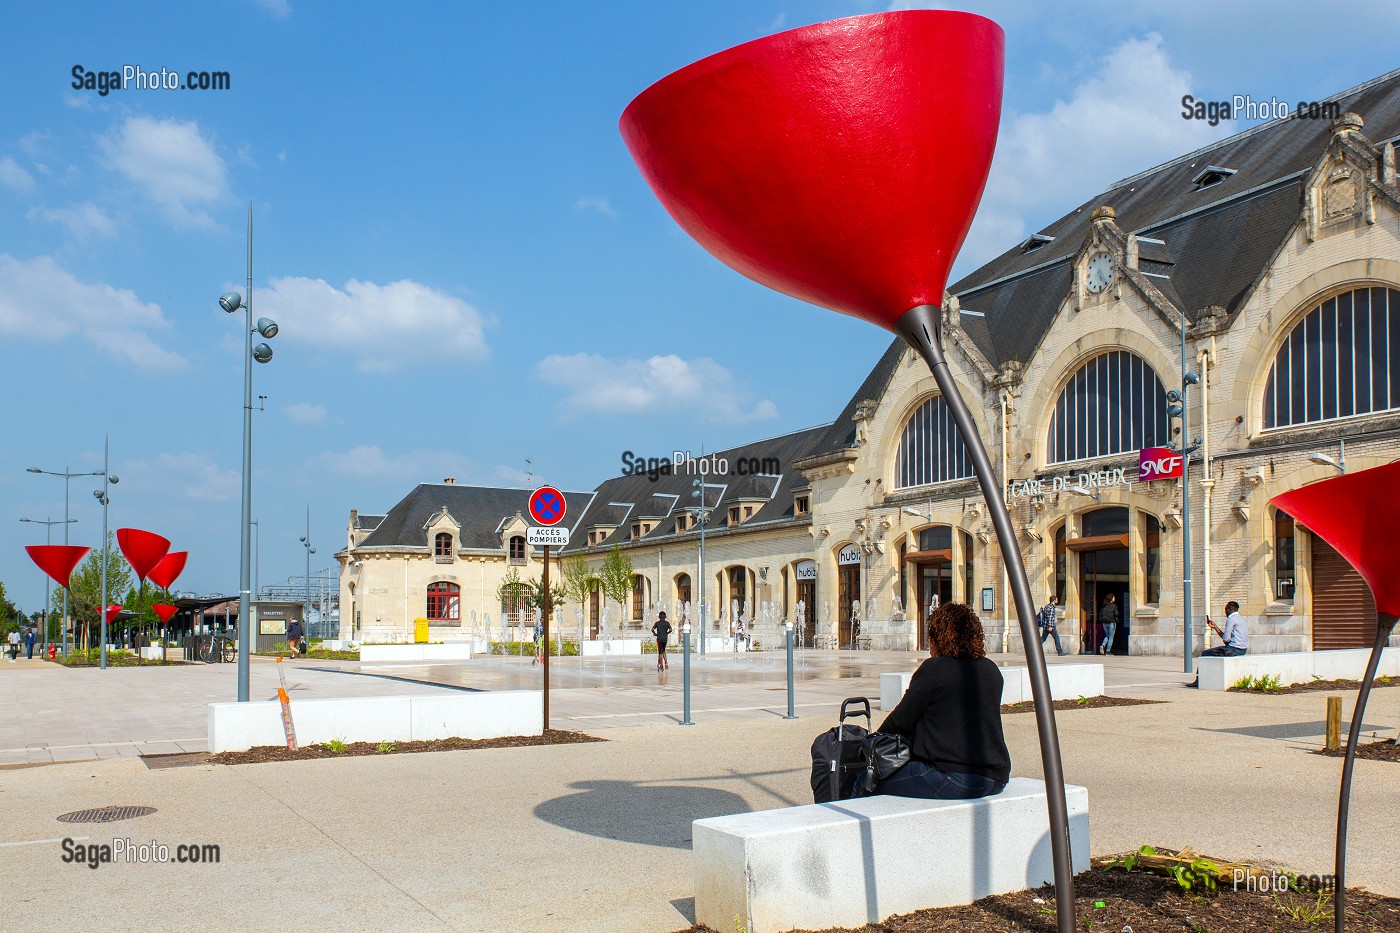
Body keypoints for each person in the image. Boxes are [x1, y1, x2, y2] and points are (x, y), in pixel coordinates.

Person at [851, 602, 1010, 800]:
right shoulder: (990, 670)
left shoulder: (934, 668)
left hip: (952, 775)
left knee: (863, 781)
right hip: (995, 778)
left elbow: (900, 720)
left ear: (938, 638)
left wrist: (871, 742)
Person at [1188, 601, 1248, 687]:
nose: (1225, 612)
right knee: (1215, 652)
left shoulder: (1231, 619)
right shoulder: (1241, 618)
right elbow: (1226, 638)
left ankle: (1198, 680)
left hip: (1234, 649)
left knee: (1205, 653)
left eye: (1226, 609)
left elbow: (1226, 639)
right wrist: (1215, 627)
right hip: (1242, 649)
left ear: (1230, 609)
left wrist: (1227, 641)